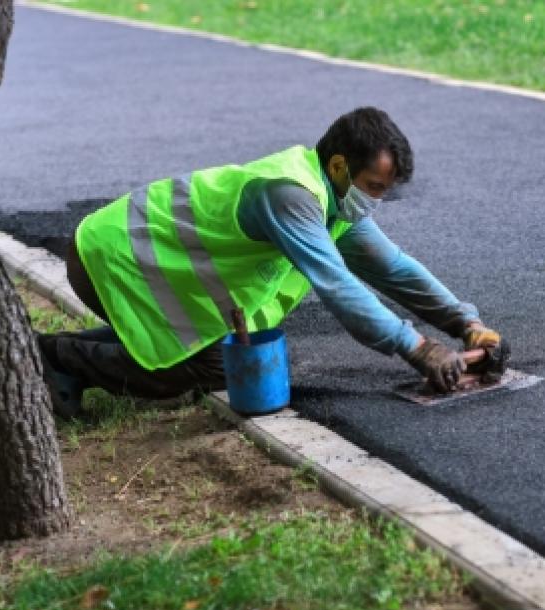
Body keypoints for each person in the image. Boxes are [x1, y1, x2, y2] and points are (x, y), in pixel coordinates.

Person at [38, 107, 503, 418]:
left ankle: (64, 352)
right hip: (115, 255)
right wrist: (418, 348)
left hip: (151, 261)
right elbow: (338, 286)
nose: (378, 199)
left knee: (209, 350)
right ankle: (58, 358)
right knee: (213, 368)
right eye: (374, 186)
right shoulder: (290, 195)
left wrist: (467, 324)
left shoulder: (336, 203)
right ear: (339, 166)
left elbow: (394, 268)